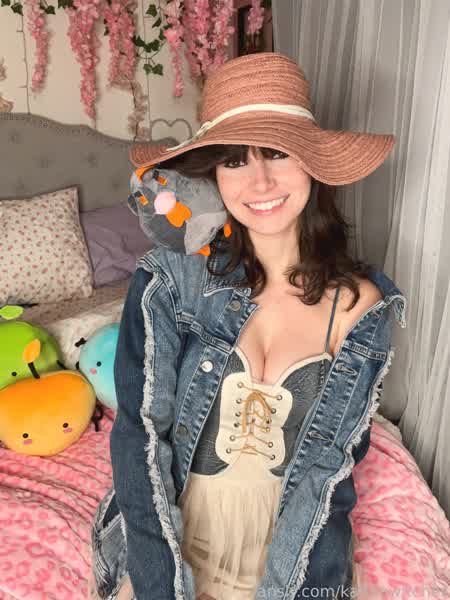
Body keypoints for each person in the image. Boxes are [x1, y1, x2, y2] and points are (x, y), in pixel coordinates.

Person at [90, 52, 406, 600]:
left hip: (294, 545)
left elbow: (328, 475)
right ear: (213, 174)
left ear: (312, 164)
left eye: (278, 153)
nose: (260, 181)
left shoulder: (361, 306)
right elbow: (140, 437)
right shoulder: (170, 281)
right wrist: (160, 585)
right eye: (235, 160)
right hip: (167, 535)